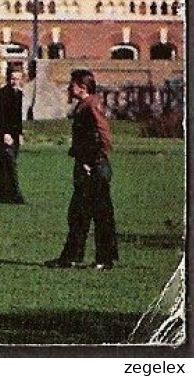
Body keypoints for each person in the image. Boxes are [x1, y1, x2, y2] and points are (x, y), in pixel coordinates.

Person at [46, 69, 118, 270]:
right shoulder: (85, 105)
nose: (69, 88)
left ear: (82, 87)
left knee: (99, 214)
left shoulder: (91, 105)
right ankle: (73, 256)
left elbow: (103, 135)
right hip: (87, 165)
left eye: (73, 84)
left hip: (93, 167)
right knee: (79, 213)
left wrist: (93, 161)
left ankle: (102, 259)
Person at [0, 63, 26, 204]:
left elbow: (17, 117)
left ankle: (0, 195)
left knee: (5, 166)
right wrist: (5, 133)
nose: (15, 82)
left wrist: (19, 133)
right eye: (13, 78)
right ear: (7, 78)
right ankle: (16, 195)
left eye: (18, 79)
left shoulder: (18, 94)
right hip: (3, 136)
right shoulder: (0, 95)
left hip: (14, 135)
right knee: (10, 165)